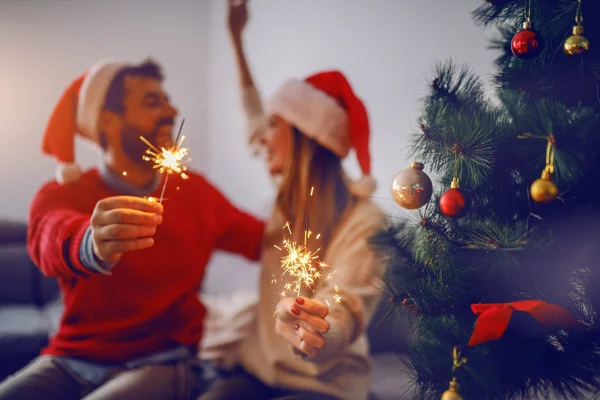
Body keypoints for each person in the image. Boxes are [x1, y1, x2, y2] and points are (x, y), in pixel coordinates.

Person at [0, 58, 265, 400]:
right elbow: (48, 236)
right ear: (108, 121)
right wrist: (91, 243)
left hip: (165, 360)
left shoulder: (196, 193)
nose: (172, 110)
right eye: (153, 102)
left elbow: (263, 239)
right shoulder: (63, 193)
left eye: (167, 99)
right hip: (72, 359)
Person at [198, 2, 388, 400]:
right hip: (258, 371)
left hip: (325, 384)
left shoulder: (365, 222)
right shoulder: (283, 201)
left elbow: (346, 305)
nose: (261, 137)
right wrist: (235, 40)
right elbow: (252, 115)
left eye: (274, 126)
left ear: (304, 139)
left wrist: (315, 332)